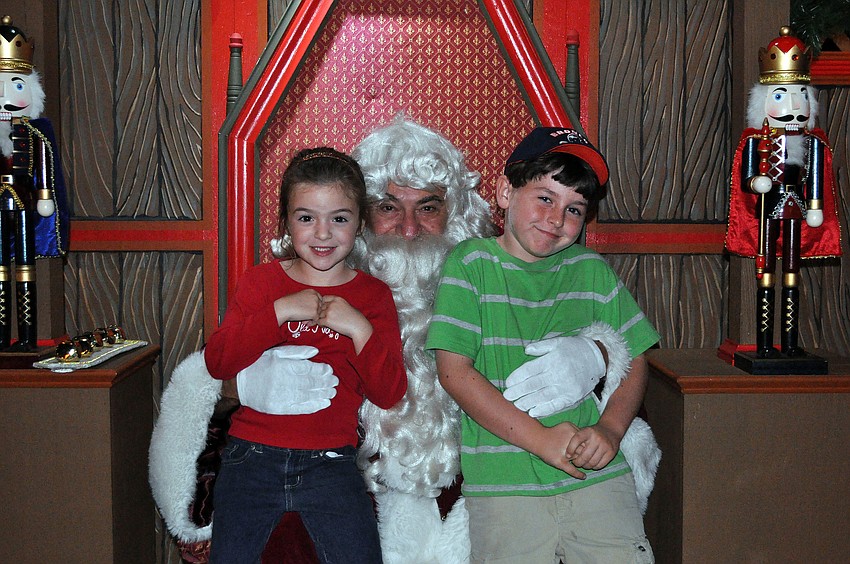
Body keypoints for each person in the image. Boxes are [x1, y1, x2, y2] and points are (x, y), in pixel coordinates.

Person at [425, 126, 660, 562]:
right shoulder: (471, 264)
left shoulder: (591, 270)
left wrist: (610, 429)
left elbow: (637, 359)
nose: (556, 220)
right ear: (504, 191)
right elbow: (454, 371)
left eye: (574, 209)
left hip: (598, 479)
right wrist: (542, 441)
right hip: (505, 484)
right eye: (545, 198)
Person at [203, 147, 407, 563]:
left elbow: (389, 391)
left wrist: (358, 327)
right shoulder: (261, 284)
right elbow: (217, 361)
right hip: (250, 457)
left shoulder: (372, 296)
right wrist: (279, 311)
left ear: (360, 224)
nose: (323, 234)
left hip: (331, 462)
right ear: (286, 222)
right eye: (306, 217)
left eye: (339, 218)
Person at [725, 27, 842, 365]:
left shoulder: (813, 143)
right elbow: (748, 177)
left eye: (800, 95)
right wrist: (755, 183)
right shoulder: (754, 140)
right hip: (768, 210)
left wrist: (815, 206)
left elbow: (816, 176)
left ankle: (789, 343)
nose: (793, 105)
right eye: (781, 96)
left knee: (792, 272)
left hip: (796, 207)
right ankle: (764, 343)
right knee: (767, 275)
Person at [0, 15, 70, 349]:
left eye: (15, 84)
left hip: (26, 205)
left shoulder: (34, 132)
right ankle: (2, 336)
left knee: (24, 270)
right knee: (1, 271)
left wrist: (45, 195)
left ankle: (27, 338)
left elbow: (45, 165)